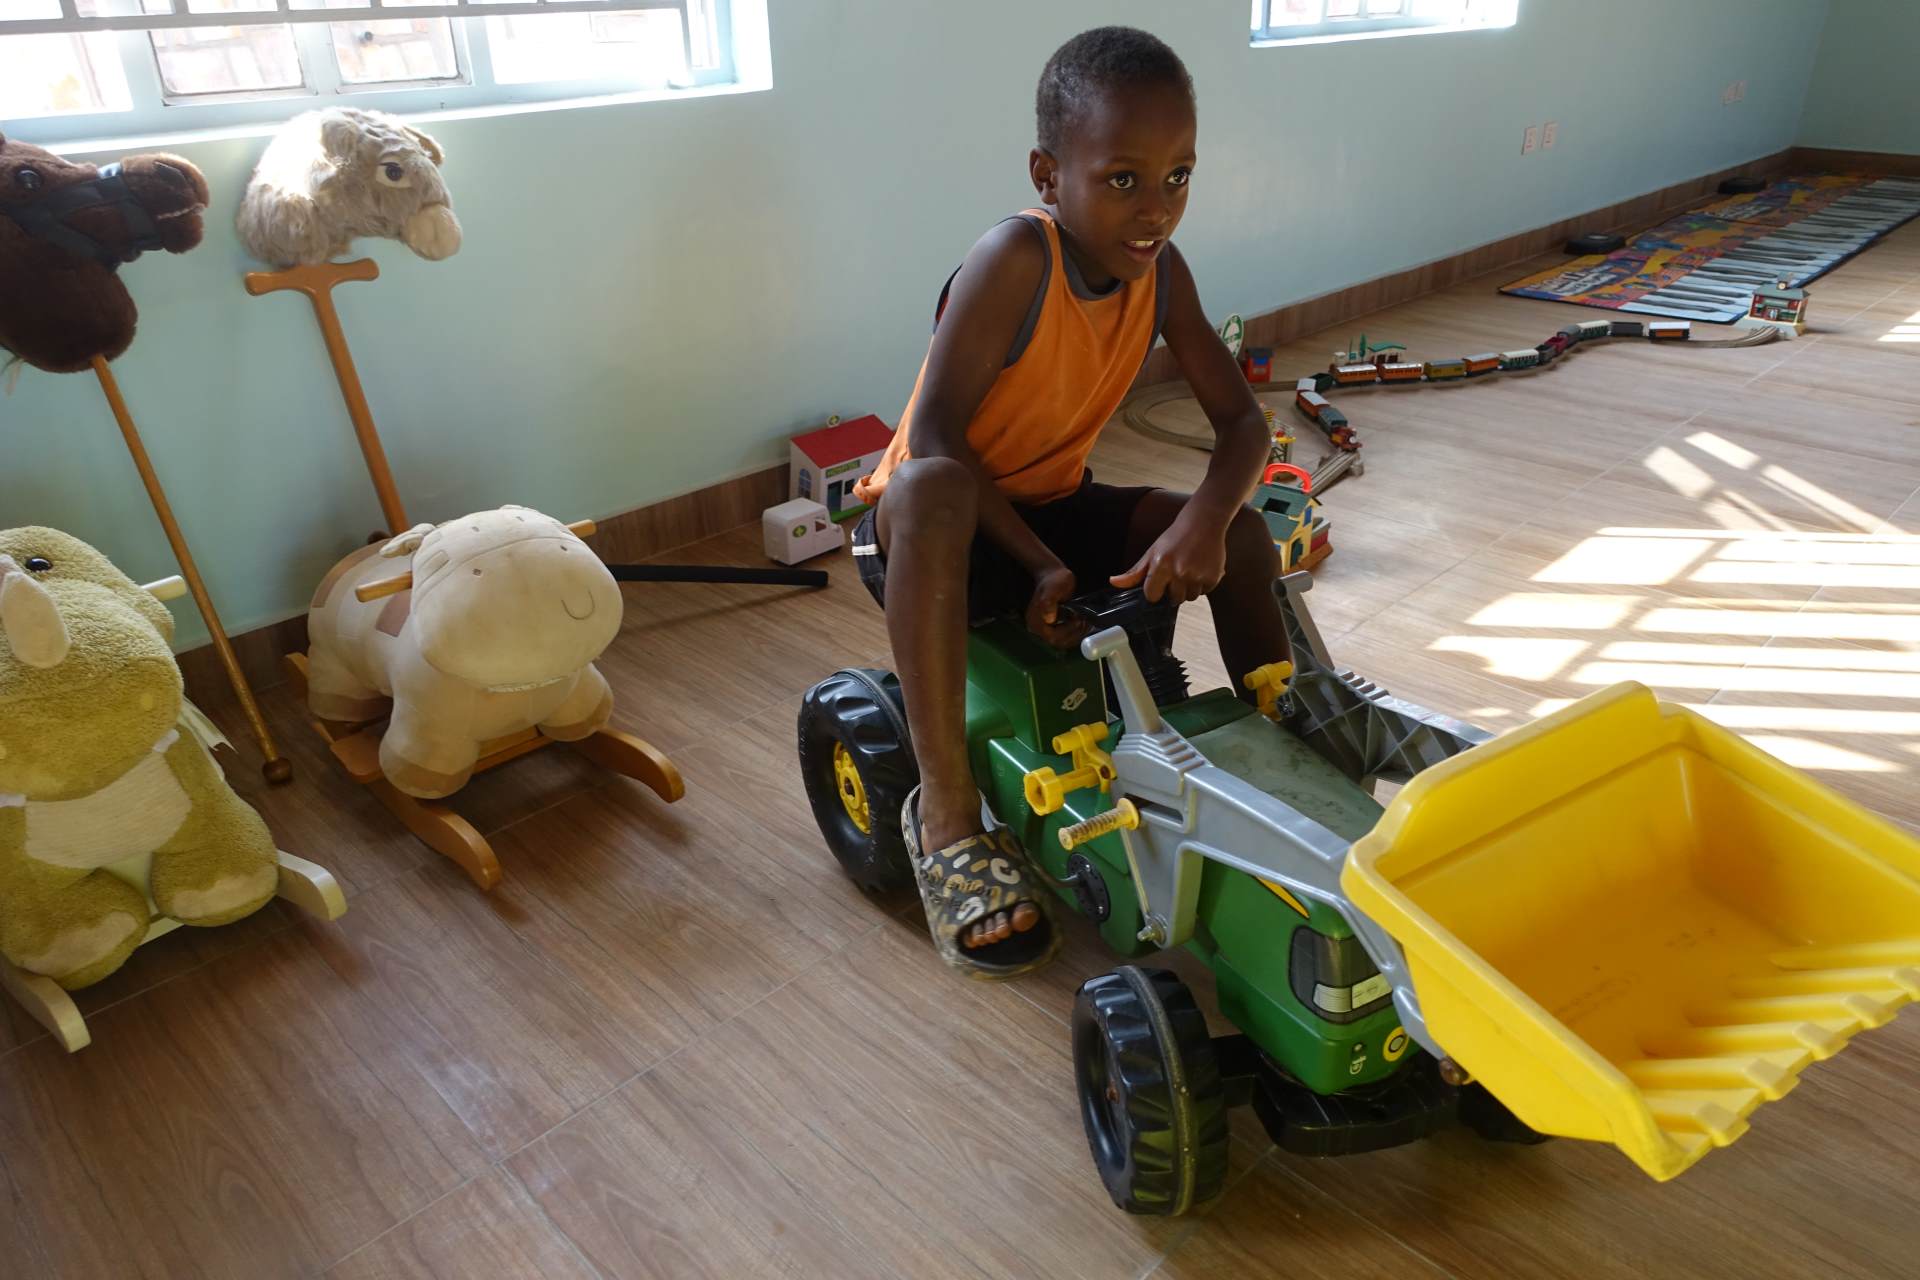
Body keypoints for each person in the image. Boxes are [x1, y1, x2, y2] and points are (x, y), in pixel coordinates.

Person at [848, 25, 1292, 978]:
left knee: (1248, 535)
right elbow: (938, 437)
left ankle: (1281, 732)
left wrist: (1203, 522)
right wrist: (1040, 564)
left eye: (1178, 177)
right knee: (929, 486)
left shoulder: (1162, 273)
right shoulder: (1016, 256)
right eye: (1123, 179)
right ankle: (948, 818)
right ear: (1048, 175)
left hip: (1051, 511)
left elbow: (1243, 429)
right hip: (936, 531)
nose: (1156, 208)